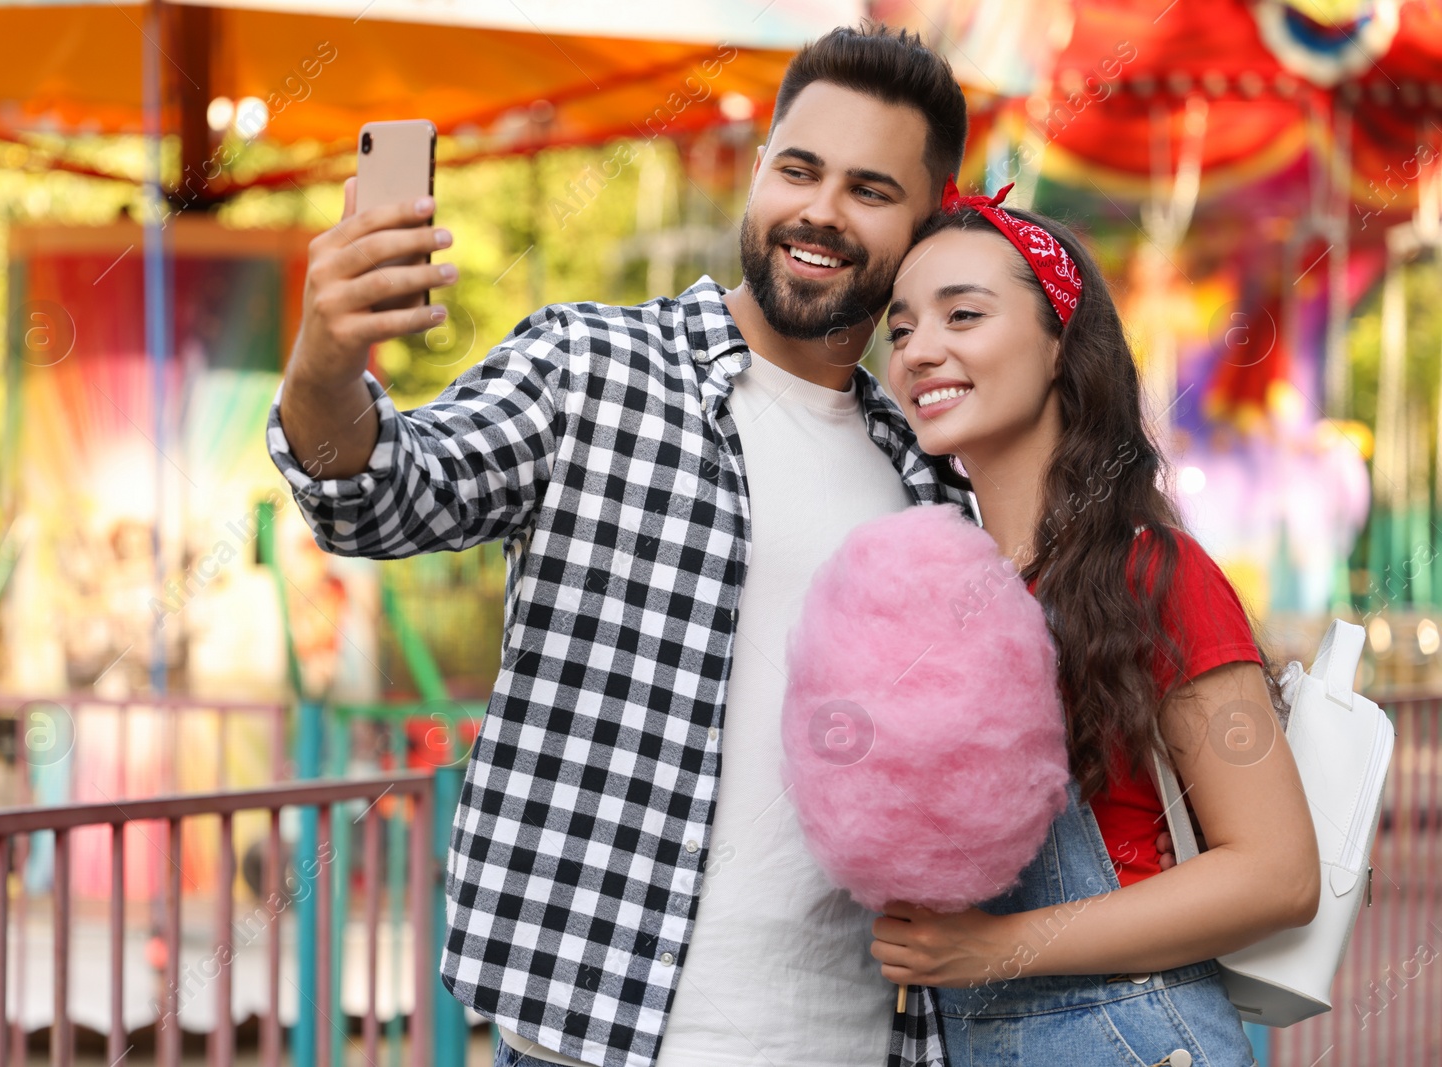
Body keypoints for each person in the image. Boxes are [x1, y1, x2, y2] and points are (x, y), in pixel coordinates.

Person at [269, 22, 991, 1067]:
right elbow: (382, 496)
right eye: (798, 169)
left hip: (848, 1042)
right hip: (590, 1037)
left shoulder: (930, 482)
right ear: (758, 175)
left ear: (927, 223)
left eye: (871, 190)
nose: (820, 211)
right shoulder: (587, 368)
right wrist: (324, 364)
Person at [867, 183, 1321, 1066]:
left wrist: (993, 949)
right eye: (902, 328)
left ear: (1059, 344)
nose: (922, 350)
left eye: (962, 314)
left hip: (1133, 1039)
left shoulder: (1152, 573)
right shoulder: (947, 588)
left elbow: (1277, 871)